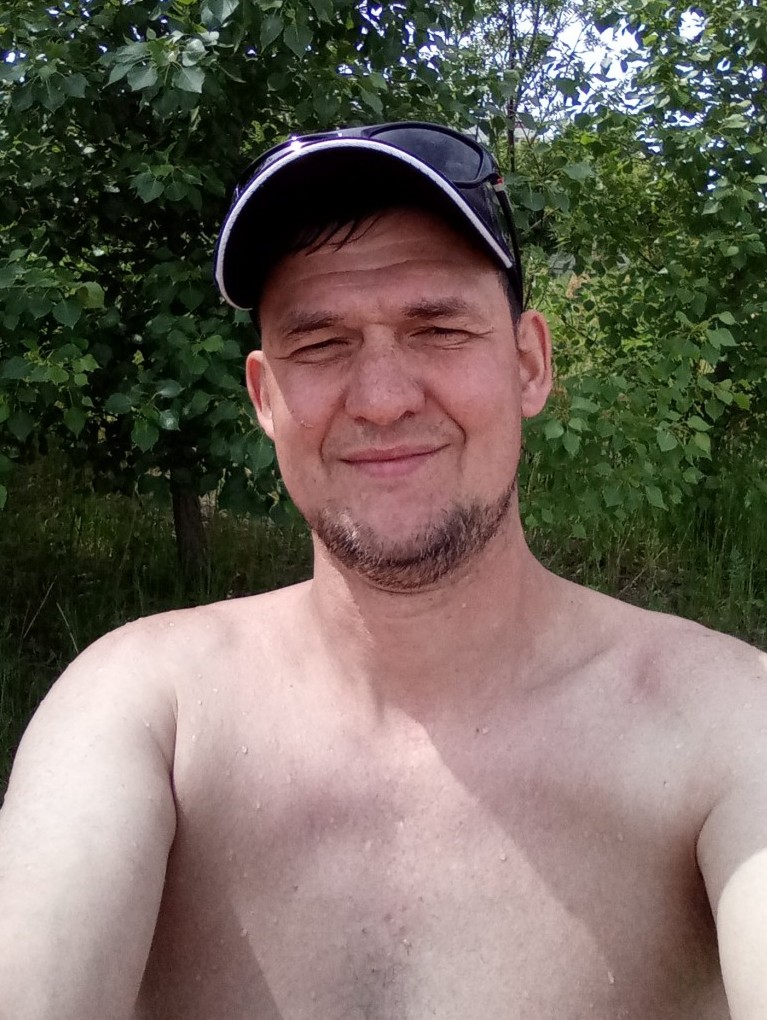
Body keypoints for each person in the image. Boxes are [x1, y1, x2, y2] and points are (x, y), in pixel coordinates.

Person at [1, 121, 766, 1020]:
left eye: (437, 328)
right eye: (320, 344)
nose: (381, 399)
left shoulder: (722, 724)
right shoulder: (147, 711)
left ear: (528, 364)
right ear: (264, 397)